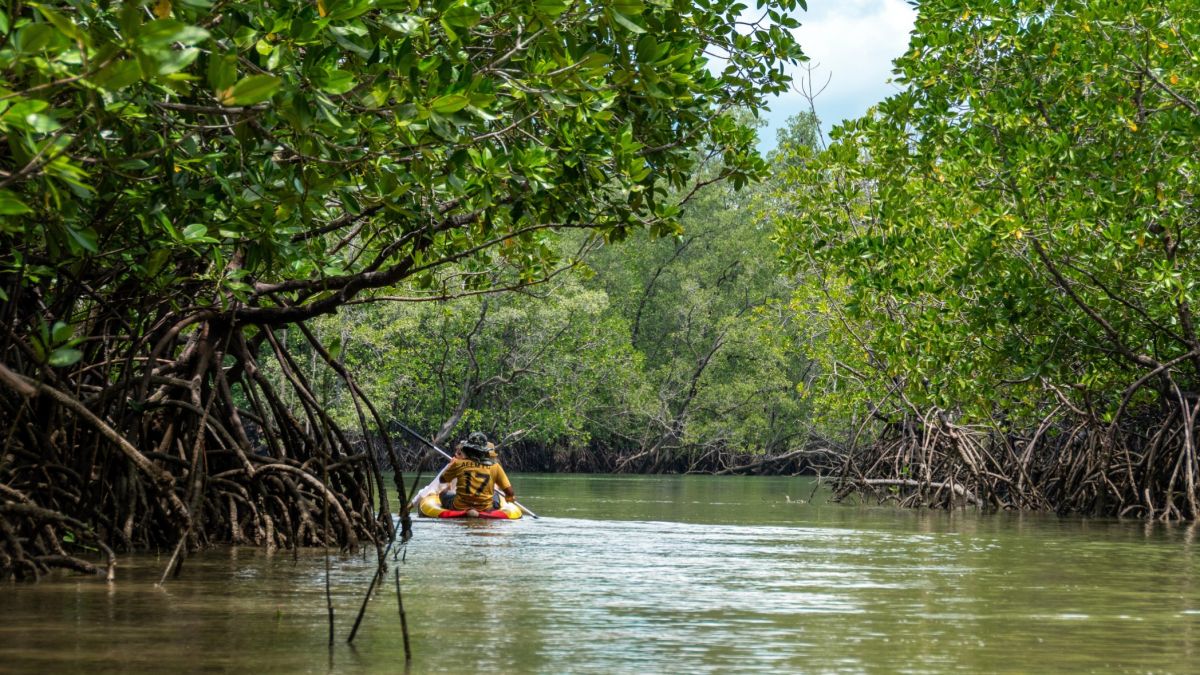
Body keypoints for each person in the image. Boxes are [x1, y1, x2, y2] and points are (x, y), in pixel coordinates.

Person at [437, 432, 516, 517]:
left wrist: (451, 466)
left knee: (443, 493)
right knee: (495, 494)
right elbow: (510, 492)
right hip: (485, 508)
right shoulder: (495, 466)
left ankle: (468, 509)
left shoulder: (458, 463)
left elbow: (442, 479)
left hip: (459, 507)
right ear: (485, 451)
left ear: (468, 449)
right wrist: (509, 498)